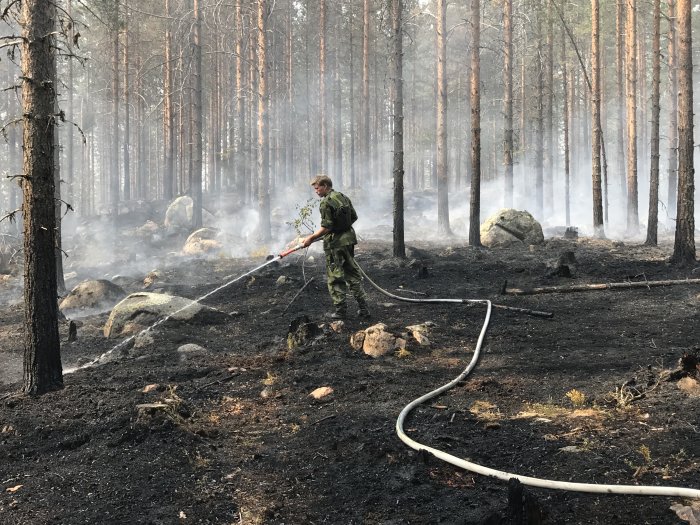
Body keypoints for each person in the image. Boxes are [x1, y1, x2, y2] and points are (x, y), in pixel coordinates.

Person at [301, 175, 370, 320]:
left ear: (325, 186)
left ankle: (340, 312)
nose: (316, 191)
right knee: (352, 274)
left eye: (317, 187)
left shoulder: (326, 202)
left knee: (335, 276)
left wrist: (311, 238)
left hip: (336, 244)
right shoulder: (342, 197)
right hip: (349, 240)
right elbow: (354, 216)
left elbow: (326, 227)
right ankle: (364, 309)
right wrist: (342, 227)